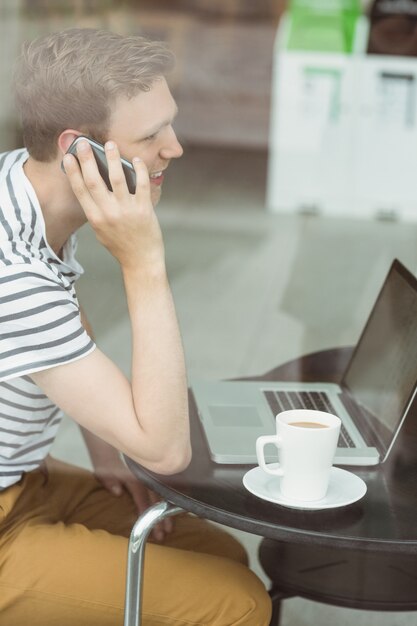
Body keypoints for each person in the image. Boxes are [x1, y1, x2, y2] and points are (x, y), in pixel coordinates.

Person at [0, 27, 272, 625]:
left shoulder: (20, 184)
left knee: (215, 551)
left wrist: (105, 452)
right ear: (78, 150)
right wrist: (143, 260)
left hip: (24, 476)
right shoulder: (12, 279)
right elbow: (166, 450)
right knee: (239, 604)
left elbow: (64, 313)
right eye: (151, 136)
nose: (175, 149)